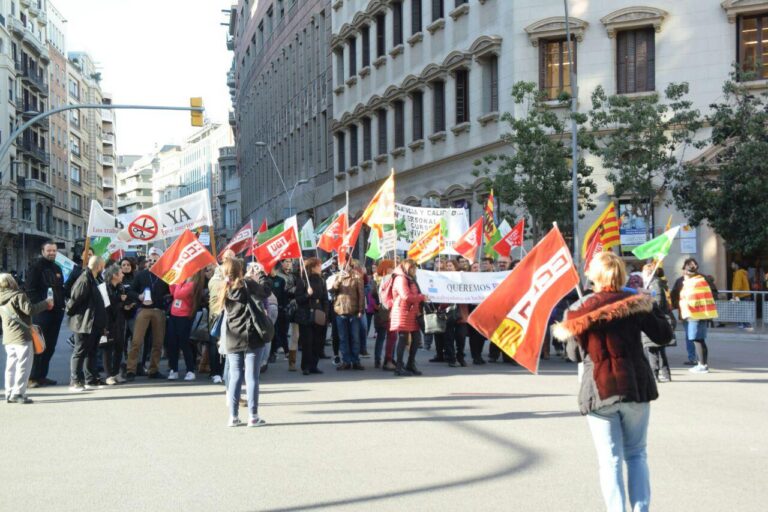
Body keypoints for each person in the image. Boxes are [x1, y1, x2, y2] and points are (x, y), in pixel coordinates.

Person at [552, 252, 673, 512]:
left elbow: (573, 355)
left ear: (593, 276)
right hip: (635, 385)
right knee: (637, 454)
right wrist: (655, 308)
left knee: (610, 460)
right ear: (622, 274)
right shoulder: (637, 302)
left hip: (599, 388)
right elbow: (663, 335)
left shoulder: (578, 309)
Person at [218, 258, 272, 427]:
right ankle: (253, 416)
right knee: (252, 377)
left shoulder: (224, 288)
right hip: (251, 336)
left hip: (233, 336)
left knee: (235, 376)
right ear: (241, 270)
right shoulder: (248, 284)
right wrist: (261, 274)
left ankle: (233, 417)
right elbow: (266, 291)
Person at [1, 273, 53, 403]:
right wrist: (46, 303)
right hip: (22, 336)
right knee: (23, 365)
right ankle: (18, 393)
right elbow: (30, 310)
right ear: (12, 282)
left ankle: (9, 392)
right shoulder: (18, 296)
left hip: (8, 337)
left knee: (11, 365)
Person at [25, 240, 66, 388]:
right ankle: (31, 378)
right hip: (41, 314)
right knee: (38, 346)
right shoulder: (35, 267)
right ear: (43, 251)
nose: (52, 253)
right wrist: (42, 305)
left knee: (50, 347)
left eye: (54, 251)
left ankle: (42, 376)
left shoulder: (57, 268)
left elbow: (61, 289)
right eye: (49, 251)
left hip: (56, 313)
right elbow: (29, 291)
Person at [125, 248, 170, 380]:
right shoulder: (140, 275)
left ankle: (153, 370)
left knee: (158, 342)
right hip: (143, 310)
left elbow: (172, 291)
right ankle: (131, 370)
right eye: (149, 260)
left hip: (159, 311)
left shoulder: (165, 275)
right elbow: (131, 291)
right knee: (137, 341)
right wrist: (138, 296)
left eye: (155, 260)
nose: (151, 262)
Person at [67, 256, 109, 392]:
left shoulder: (97, 278)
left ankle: (90, 379)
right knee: (80, 351)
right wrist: (71, 314)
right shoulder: (84, 279)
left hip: (95, 323)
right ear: (98, 266)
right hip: (84, 322)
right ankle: (75, 381)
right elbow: (74, 299)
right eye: (102, 265)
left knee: (92, 351)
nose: (103, 268)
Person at [677, 258, 718, 374]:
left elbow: (688, 299)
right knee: (699, 339)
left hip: (695, 314)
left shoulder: (692, 282)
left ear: (686, 271)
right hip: (701, 314)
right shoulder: (701, 280)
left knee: (697, 339)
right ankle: (702, 364)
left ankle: (702, 365)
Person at [390, 259, 427, 376]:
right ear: (407, 267)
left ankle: (410, 364)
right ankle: (399, 367)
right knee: (402, 339)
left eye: (415, 268)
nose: (414, 270)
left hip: (411, 312)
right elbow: (406, 296)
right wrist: (421, 297)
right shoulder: (401, 278)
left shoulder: (409, 278)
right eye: (412, 268)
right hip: (403, 312)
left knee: (416, 339)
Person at [166, 271, 206, 381]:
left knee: (184, 343)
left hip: (184, 316)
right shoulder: (183, 282)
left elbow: (178, 294)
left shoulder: (193, 285)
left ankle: (190, 370)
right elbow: (173, 292)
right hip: (174, 315)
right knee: (172, 343)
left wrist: (177, 283)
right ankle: (174, 369)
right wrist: (173, 282)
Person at [330, 261, 365, 371]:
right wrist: (339, 280)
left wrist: (360, 309)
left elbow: (361, 294)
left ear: (350, 265)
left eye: (345, 264)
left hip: (353, 311)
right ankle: (346, 361)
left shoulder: (356, 276)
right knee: (343, 338)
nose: (344, 267)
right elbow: (332, 290)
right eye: (342, 265)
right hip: (340, 310)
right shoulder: (337, 276)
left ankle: (355, 361)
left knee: (355, 337)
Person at [103, 264, 130, 385]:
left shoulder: (120, 287)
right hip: (108, 322)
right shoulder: (105, 287)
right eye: (120, 272)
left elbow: (120, 304)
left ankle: (116, 373)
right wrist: (120, 299)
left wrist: (126, 305)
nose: (123, 274)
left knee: (120, 347)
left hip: (120, 321)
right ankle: (109, 375)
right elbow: (107, 305)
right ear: (114, 275)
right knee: (108, 349)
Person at [372, 259, 396, 369]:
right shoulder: (389, 279)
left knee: (381, 336)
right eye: (392, 266)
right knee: (390, 336)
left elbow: (372, 295)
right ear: (387, 268)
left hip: (380, 311)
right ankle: (388, 359)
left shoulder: (377, 279)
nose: (394, 268)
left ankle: (378, 360)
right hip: (386, 310)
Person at [731, 261, 752, 329]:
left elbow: (738, 285)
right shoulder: (743, 273)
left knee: (740, 311)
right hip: (745, 294)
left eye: (733, 264)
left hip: (741, 295)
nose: (731, 265)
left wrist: (734, 295)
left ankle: (744, 325)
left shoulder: (738, 273)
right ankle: (745, 325)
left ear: (736, 265)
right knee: (744, 311)